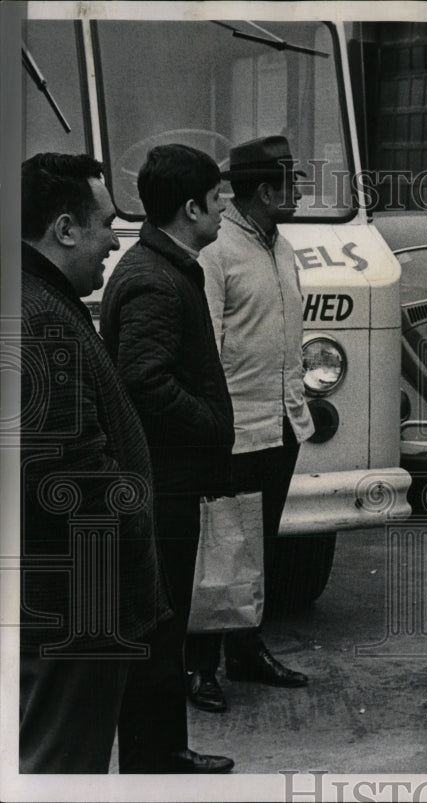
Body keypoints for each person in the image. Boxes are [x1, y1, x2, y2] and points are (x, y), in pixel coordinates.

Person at [18, 153, 170, 773]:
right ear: (64, 229)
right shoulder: (43, 319)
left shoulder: (34, 301)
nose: (115, 239)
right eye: (106, 223)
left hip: (61, 595)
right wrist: (134, 534)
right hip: (79, 604)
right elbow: (72, 477)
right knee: (60, 761)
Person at [100, 144, 235, 773]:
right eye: (217, 199)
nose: (224, 208)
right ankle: (158, 761)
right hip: (163, 481)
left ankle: (165, 752)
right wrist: (208, 423)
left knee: (166, 623)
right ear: (190, 208)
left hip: (169, 478)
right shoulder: (155, 276)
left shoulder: (167, 264)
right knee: (160, 626)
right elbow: (143, 378)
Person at [185, 135, 314, 712]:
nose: (300, 191)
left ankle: (246, 650)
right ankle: (199, 667)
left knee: (259, 546)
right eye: (292, 182)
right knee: (219, 549)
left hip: (283, 422)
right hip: (235, 428)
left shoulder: (280, 245)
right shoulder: (217, 251)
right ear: (266, 190)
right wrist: (214, 424)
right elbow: (205, 346)